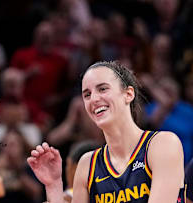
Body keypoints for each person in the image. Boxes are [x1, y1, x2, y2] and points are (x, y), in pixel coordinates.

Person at [27, 61, 186, 203]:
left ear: (128, 94)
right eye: (87, 95)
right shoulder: (87, 164)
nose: (94, 99)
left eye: (102, 89)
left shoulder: (163, 145)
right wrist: (54, 185)